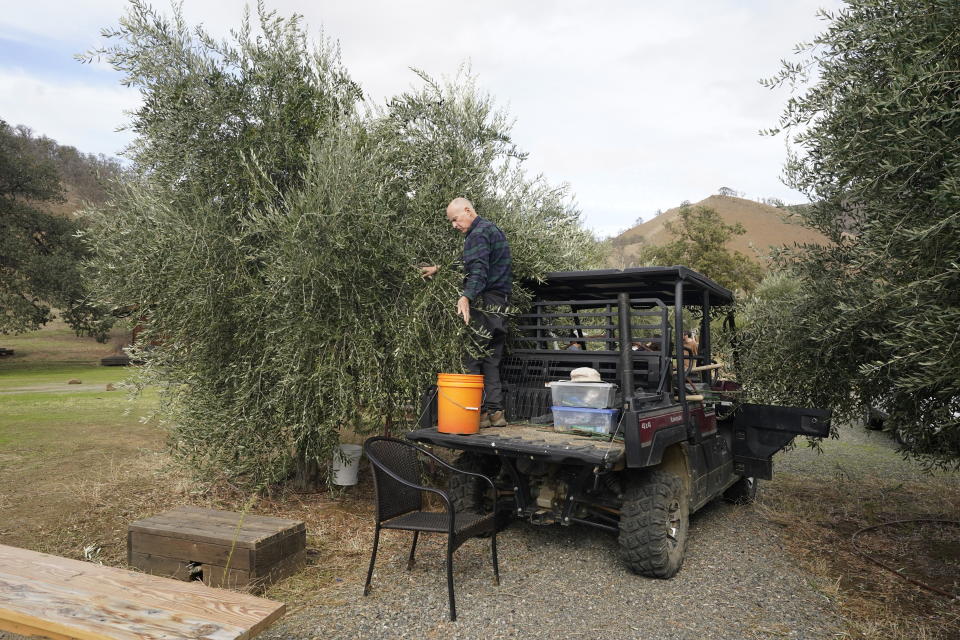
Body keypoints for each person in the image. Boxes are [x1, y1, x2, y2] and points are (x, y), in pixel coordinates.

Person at [421, 198, 512, 427]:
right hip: (500, 305)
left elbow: (478, 269)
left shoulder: (477, 234)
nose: (454, 225)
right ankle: (496, 413)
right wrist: (439, 268)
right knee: (491, 359)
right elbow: (470, 261)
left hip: (485, 303)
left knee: (471, 357)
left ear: (468, 211)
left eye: (455, 219)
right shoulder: (491, 229)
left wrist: (466, 296)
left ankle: (476, 414)